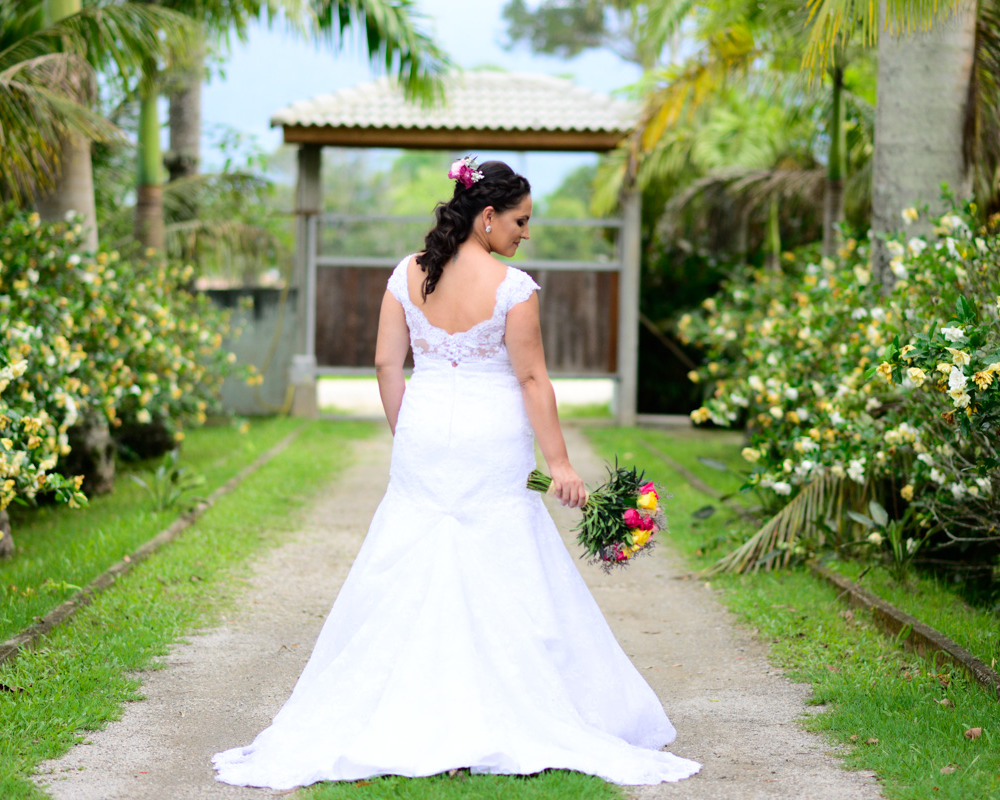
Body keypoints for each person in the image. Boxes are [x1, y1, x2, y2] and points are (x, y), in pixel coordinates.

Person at [211, 158, 702, 790]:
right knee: (501, 557)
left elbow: (388, 365)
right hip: (490, 436)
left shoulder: (406, 274)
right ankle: (507, 704)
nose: (526, 233)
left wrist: (406, 431)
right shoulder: (513, 289)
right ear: (488, 216)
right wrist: (559, 464)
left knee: (409, 557)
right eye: (521, 221)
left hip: (422, 432)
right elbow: (531, 379)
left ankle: (405, 701)